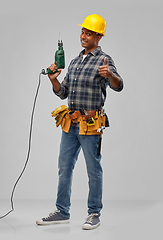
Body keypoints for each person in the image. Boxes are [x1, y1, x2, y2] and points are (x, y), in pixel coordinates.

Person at [36, 14, 123, 230]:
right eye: (83, 32)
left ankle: (94, 213)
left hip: (91, 125)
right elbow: (63, 93)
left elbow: (119, 85)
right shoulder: (74, 62)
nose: (83, 36)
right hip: (70, 125)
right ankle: (62, 211)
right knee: (64, 168)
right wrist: (54, 80)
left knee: (93, 170)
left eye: (89, 33)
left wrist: (110, 74)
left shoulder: (104, 60)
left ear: (99, 36)